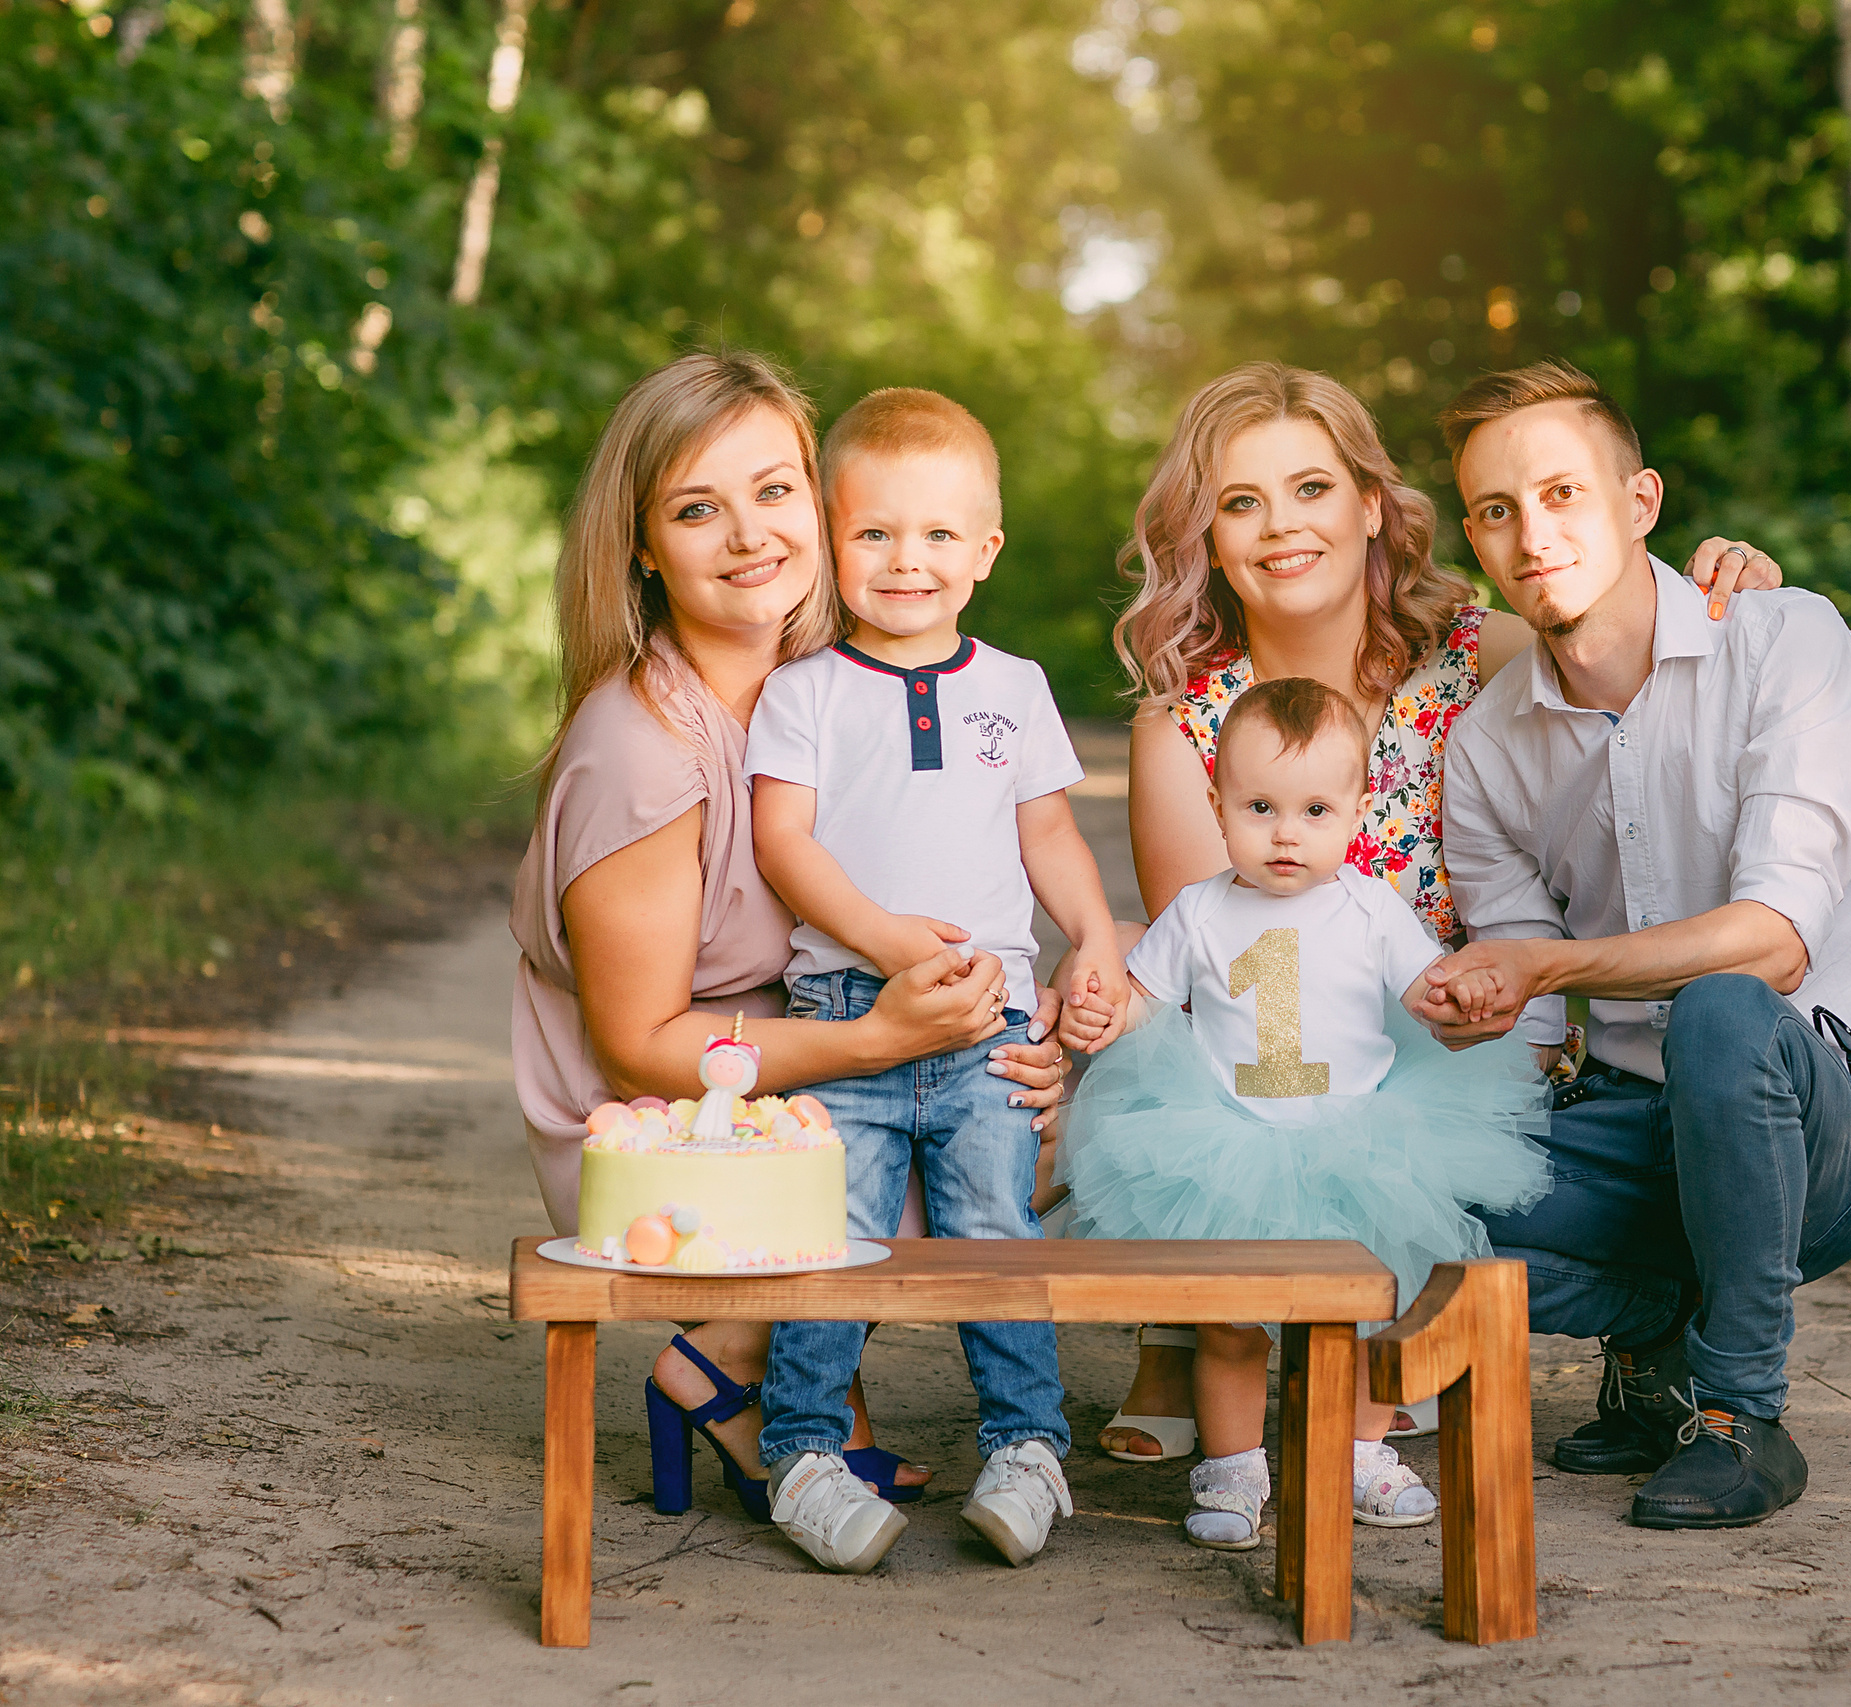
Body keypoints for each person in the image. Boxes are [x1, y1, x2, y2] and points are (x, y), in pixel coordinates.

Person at [1095, 360, 1788, 1461]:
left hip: (1458, 1044)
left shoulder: (1484, 653)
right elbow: (1210, 946)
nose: (1282, 525)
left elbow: (1626, 636)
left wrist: (1727, 577)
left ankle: (1399, 1325)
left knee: (1459, 1193)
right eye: (1241, 502)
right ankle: (1194, 1323)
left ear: (1372, 505)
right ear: (1209, 539)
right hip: (1271, 1047)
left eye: (1312, 489)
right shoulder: (1187, 714)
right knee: (1173, 1053)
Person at [509, 353, 1071, 1522]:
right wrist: (883, 1039)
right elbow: (640, 1045)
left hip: (800, 1042)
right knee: (923, 1140)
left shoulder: (828, 686)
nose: (748, 534)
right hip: (663, 1114)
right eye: (694, 509)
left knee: (1029, 1107)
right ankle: (723, 1362)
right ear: (641, 546)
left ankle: (803, 1372)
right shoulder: (643, 752)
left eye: (773, 491)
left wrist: (1010, 1005)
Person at [1418, 360, 1851, 1531]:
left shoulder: (1785, 640)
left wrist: (1548, 966)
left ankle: (1739, 1412)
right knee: (1403, 1187)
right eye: (1495, 510)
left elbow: (1774, 946)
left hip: (1817, 1135)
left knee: (1722, 1006)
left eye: (1561, 493)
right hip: (1630, 1133)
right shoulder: (1487, 743)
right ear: (1474, 538)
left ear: (1639, 500)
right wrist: (1453, 1050)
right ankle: (1656, 1340)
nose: (1531, 535)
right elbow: (1528, 1035)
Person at [746, 388, 1127, 1573]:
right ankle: (802, 1455)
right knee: (832, 1239)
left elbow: (1048, 835)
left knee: (994, 1231)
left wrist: (1094, 937)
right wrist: (886, 941)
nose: (906, 560)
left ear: (985, 550)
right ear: (832, 539)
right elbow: (783, 843)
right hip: (845, 1013)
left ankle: (1027, 1448)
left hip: (988, 1018)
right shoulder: (806, 687)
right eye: (874, 532)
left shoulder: (1013, 685)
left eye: (937, 534)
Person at [1056, 677, 1550, 1548]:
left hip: (1356, 1142)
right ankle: (1233, 1466)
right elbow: (1146, 1000)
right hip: (1228, 1142)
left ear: (1359, 810)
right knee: (1230, 1321)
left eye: (1316, 810)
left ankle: (1359, 1452)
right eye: (1260, 807)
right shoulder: (1201, 909)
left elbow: (1423, 992)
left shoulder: (1372, 907)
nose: (1286, 833)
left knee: (1366, 1308)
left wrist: (1456, 998)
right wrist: (1108, 1011)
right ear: (1217, 805)